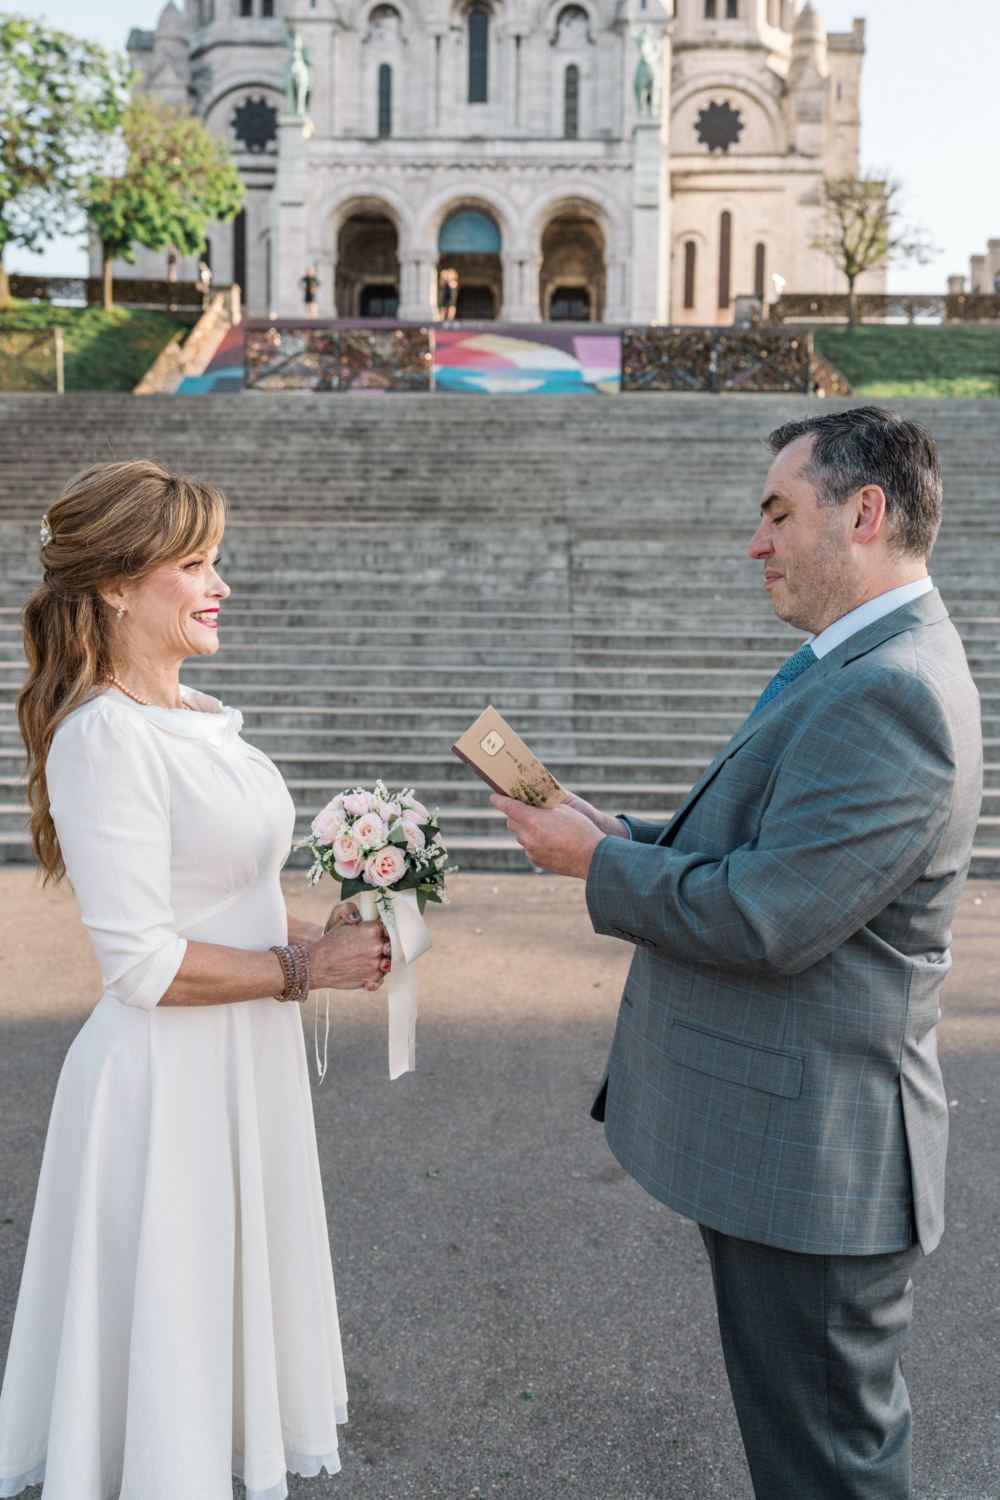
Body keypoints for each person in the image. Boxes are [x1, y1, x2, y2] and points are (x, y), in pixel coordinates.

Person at [493, 407, 982, 1499]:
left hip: (823, 1166)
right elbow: (771, 847)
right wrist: (618, 835)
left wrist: (594, 868)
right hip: (801, 1157)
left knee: (826, 1470)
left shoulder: (891, 689)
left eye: (776, 513)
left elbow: (766, 917)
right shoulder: (859, 663)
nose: (755, 542)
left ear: (864, 513)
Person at [0, 460, 390, 1500]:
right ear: (118, 584)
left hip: (238, 1057)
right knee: (167, 1340)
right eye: (195, 564)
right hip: (164, 1085)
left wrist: (337, 933)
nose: (219, 584)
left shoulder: (196, 709)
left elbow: (228, 898)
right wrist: (303, 966)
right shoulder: (103, 737)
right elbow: (141, 962)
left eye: (215, 560)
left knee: (219, 1327)